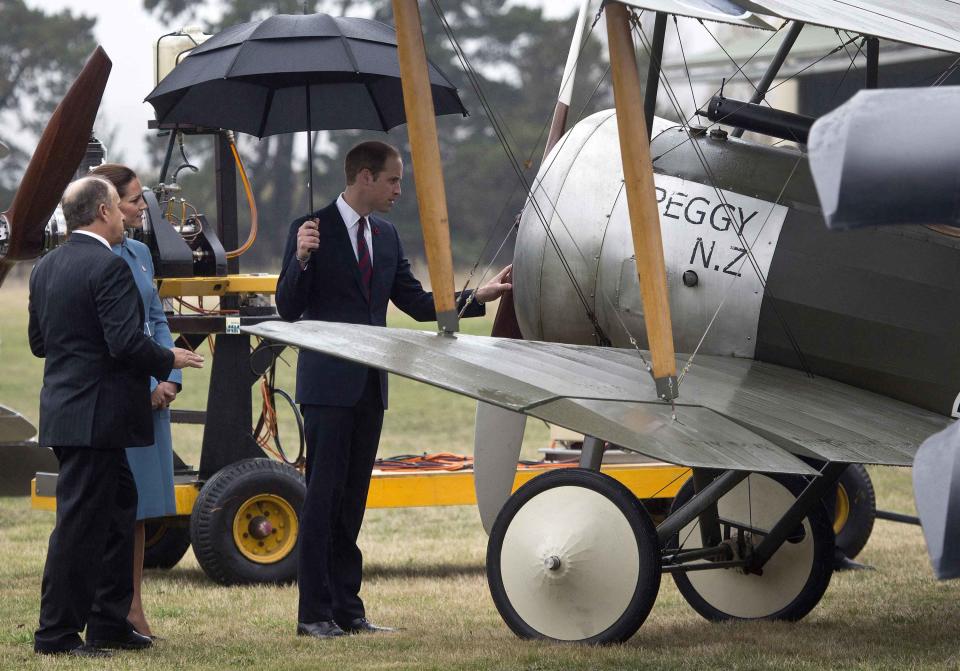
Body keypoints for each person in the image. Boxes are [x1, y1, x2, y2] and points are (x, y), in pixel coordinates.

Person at [276, 140, 512, 639]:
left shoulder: (384, 235)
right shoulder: (310, 229)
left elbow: (418, 303)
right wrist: (300, 260)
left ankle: (348, 611)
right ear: (364, 177)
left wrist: (478, 297)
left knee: (352, 501)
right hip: (327, 386)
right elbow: (288, 309)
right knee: (322, 499)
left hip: (369, 388)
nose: (398, 190)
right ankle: (313, 615)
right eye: (392, 180)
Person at [29, 176, 204, 657]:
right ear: (103, 212)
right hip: (99, 416)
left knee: (118, 510)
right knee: (81, 527)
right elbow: (125, 344)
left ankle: (108, 622)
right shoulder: (108, 267)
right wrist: (171, 359)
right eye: (120, 206)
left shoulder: (46, 267)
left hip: (68, 412)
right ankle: (57, 635)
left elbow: (39, 344)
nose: (128, 216)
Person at [91, 163, 180, 637]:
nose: (142, 208)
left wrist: (167, 377)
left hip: (154, 400)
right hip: (120, 401)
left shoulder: (142, 252)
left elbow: (156, 316)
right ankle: (106, 607)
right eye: (133, 201)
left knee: (141, 510)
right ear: (108, 206)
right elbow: (111, 339)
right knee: (111, 510)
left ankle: (133, 607)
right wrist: (146, 386)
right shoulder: (95, 257)